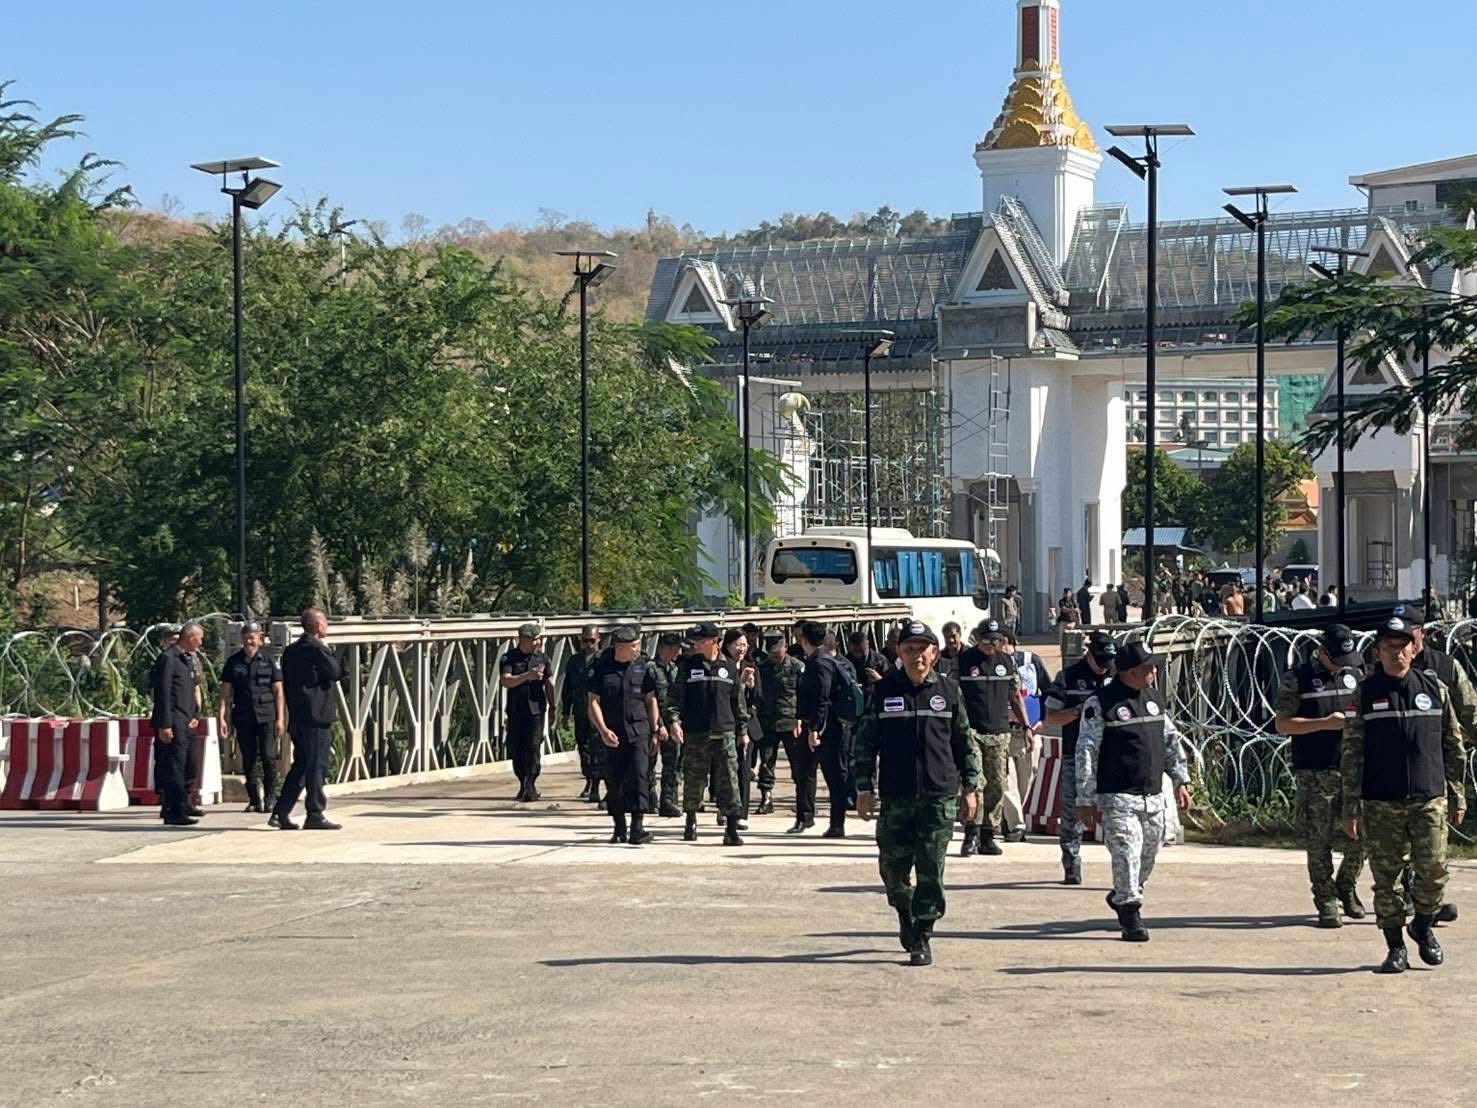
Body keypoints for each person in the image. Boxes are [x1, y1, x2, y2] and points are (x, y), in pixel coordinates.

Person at [852, 619, 982, 967]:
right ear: (899, 652)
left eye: (922, 650)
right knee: (892, 871)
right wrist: (863, 787)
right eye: (908, 650)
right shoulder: (883, 692)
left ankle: (922, 932)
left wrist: (972, 787)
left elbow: (965, 743)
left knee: (930, 869)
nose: (916, 657)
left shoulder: (949, 691)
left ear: (934, 654)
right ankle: (905, 913)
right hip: (896, 797)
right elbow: (864, 744)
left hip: (938, 798)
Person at [1342, 616, 1466, 973]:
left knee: (1434, 871)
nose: (1396, 654)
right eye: (1388, 648)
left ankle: (1422, 926)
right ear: (1377, 652)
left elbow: (1452, 744)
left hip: (1429, 797)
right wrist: (1351, 804)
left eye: (1402, 647)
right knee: (1387, 879)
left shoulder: (1433, 689)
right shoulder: (1365, 694)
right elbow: (1352, 753)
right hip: (1381, 800)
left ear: (1414, 649)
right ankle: (1395, 946)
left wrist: (1457, 793)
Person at [1076, 641, 1193, 941]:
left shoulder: (1154, 700)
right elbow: (1087, 752)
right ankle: (1130, 914)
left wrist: (1181, 780)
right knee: (1127, 852)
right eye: (1147, 667)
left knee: (1148, 855)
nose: (1153, 671)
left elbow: (1170, 742)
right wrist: (1085, 799)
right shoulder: (1101, 703)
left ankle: (1123, 893)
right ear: (1129, 672)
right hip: (1118, 796)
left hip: (1152, 795)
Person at [1272, 624, 1368, 927]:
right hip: (1315, 770)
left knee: (1362, 835)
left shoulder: (1356, 673)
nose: (1342, 663)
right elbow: (1283, 724)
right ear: (1322, 651)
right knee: (1319, 839)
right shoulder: (1298, 678)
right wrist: (1325, 723)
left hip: (1352, 768)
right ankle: (1325, 898)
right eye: (1337, 657)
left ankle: (1347, 883)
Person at [1043, 632, 1117, 884]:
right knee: (1073, 813)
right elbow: (1051, 718)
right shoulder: (1068, 677)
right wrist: (1078, 711)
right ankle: (1071, 863)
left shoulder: (1117, 675)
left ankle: (1122, 868)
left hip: (1111, 755)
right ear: (1089, 653)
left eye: (1108, 660)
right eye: (1100, 660)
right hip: (1075, 753)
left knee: (1115, 812)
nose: (1104, 665)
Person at [955, 620, 1032, 857]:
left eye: (997, 640)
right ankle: (971, 834)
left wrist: (1026, 725)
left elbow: (1016, 697)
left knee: (997, 785)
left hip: (1000, 732)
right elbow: (953, 696)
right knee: (975, 784)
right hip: (973, 732)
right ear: (978, 638)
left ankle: (989, 833)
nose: (992, 644)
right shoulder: (964, 661)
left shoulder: (1006, 662)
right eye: (988, 639)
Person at [271, 608, 344, 831]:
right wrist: (327, 652)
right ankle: (315, 812)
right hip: (316, 716)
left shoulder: (290, 651)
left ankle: (281, 811)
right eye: (324, 622)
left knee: (302, 765)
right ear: (316, 626)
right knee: (316, 766)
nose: (327, 626)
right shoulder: (317, 649)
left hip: (299, 716)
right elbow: (334, 673)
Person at [588, 626, 661, 846]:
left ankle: (637, 829)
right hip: (612, 732)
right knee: (614, 780)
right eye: (634, 646)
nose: (639, 649)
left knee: (640, 777)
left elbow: (651, 700)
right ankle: (619, 828)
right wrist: (602, 730)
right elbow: (593, 702)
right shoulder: (601, 668)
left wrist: (655, 730)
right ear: (621, 647)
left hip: (639, 731)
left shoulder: (644, 667)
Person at [673, 622, 744, 846]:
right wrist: (674, 722)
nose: (695, 646)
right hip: (696, 732)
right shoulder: (687, 667)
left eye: (700, 641)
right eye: (694, 642)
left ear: (714, 642)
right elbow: (675, 699)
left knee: (729, 781)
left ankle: (731, 827)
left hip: (724, 732)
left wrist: (742, 730)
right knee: (694, 778)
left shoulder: (730, 667)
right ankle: (691, 821)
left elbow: (737, 702)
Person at [217, 620, 284, 815]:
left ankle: (271, 797)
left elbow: (278, 691)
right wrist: (222, 717)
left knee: (269, 756)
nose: (249, 641)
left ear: (260, 639)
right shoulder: (234, 662)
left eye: (252, 637)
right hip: (244, 716)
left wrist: (280, 719)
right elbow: (225, 693)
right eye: (246, 637)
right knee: (248, 760)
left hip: (266, 716)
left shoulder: (269, 661)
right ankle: (254, 800)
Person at [797, 621, 851, 838]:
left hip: (829, 729)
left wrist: (815, 729)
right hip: (822, 726)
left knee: (834, 775)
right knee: (810, 772)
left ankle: (837, 824)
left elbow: (823, 699)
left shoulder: (820, 664)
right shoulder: (819, 661)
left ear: (804, 639)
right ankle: (811, 817)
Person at [150, 620, 205, 827]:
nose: (201, 643)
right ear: (191, 637)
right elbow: (163, 693)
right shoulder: (168, 659)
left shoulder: (187, 659)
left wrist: (195, 714)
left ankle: (182, 804)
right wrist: (165, 725)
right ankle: (173, 810)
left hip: (187, 720)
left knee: (187, 765)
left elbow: (190, 691)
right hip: (173, 721)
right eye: (199, 639)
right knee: (174, 767)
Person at [502, 623, 556, 803]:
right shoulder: (509, 658)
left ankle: (530, 784)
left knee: (533, 747)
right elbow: (506, 681)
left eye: (538, 639)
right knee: (516, 748)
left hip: (536, 710)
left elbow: (549, 683)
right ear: (522, 639)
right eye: (533, 639)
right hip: (516, 710)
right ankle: (522, 781)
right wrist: (527, 676)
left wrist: (553, 706)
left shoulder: (543, 658)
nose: (537, 642)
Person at [755, 631, 804, 817]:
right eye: (771, 652)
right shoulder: (762, 667)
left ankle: (802, 800)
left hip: (791, 721)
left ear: (785, 646)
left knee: (798, 763)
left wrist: (801, 719)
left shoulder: (797, 667)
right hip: (768, 721)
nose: (774, 655)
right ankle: (766, 797)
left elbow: (804, 694)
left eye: (777, 651)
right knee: (766, 762)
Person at [1002, 630, 1044, 840]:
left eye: (1002, 643)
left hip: (1030, 732)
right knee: (1007, 781)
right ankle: (1016, 826)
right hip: (1004, 733)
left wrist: (1042, 722)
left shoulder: (1031, 661)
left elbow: (1048, 692)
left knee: (1025, 781)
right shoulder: (992, 668)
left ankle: (1007, 818)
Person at [560, 625, 602, 804]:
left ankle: (595, 786)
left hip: (598, 713)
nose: (588, 644)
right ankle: (588, 780)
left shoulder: (603, 660)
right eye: (585, 641)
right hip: (580, 711)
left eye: (592, 640)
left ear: (598, 639)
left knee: (597, 749)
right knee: (583, 747)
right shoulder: (574, 661)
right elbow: (567, 688)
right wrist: (565, 712)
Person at [719, 628, 756, 825]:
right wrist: (738, 685)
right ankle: (723, 808)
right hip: (724, 723)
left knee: (743, 767)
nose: (741, 649)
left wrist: (751, 686)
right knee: (723, 768)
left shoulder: (750, 666)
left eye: (744, 645)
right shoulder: (722, 666)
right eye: (737, 645)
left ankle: (740, 813)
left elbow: (759, 698)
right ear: (727, 645)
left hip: (745, 725)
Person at [648, 632, 685, 817]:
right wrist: (658, 725)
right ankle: (649, 797)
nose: (678, 652)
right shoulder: (650, 669)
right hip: (653, 724)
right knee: (649, 762)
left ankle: (668, 800)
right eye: (676, 648)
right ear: (666, 648)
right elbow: (649, 699)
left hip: (671, 723)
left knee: (673, 763)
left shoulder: (675, 670)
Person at [845, 631, 889, 711]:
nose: (859, 655)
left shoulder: (880, 661)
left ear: (868, 645)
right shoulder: (845, 662)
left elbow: (891, 686)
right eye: (855, 651)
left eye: (862, 651)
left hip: (876, 706)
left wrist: (879, 679)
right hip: (854, 707)